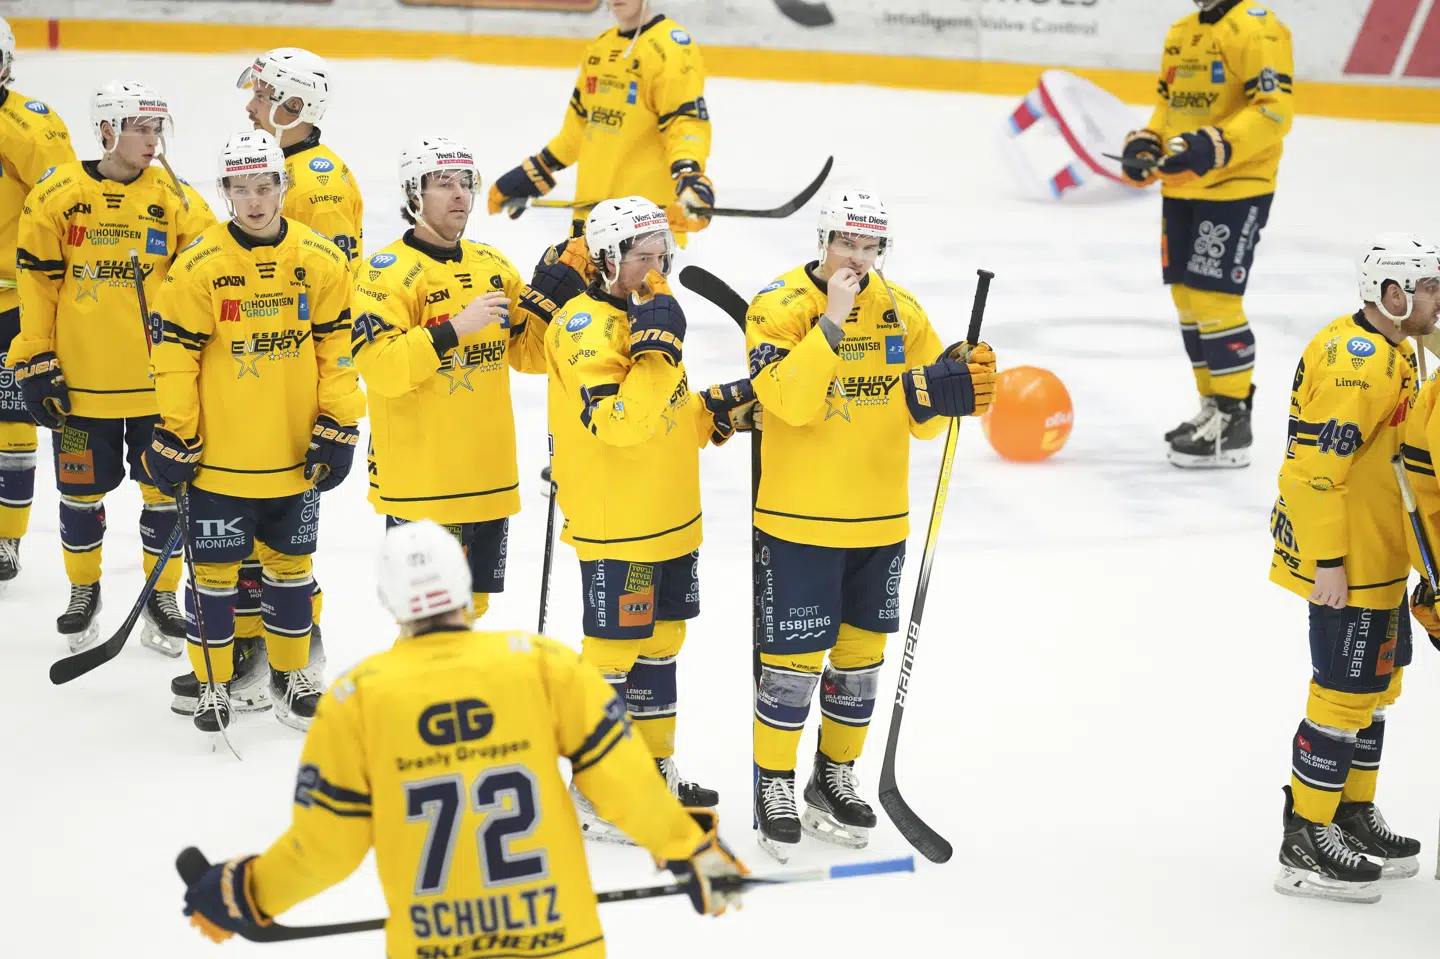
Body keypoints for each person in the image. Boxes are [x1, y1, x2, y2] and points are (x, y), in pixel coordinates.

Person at [180, 519, 747, 954]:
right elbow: (626, 787)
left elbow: (324, 850)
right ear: (462, 580)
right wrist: (694, 852)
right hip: (561, 942)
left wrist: (245, 890)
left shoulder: (357, 700)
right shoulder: (544, 666)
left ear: (388, 600)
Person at [744, 189, 995, 859]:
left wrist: (958, 387)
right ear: (821, 241)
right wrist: (831, 322)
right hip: (798, 519)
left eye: (869, 246)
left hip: (880, 520)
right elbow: (786, 403)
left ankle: (833, 776)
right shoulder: (778, 308)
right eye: (846, 244)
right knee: (792, 664)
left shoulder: (902, 311)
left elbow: (924, 418)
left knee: (859, 661)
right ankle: (773, 780)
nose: (857, 258)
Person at [545, 195, 755, 840]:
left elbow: (671, 414)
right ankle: (594, 785)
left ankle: (653, 769)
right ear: (608, 258)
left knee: (662, 648)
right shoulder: (581, 328)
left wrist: (724, 409)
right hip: (620, 528)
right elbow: (621, 423)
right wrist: (658, 349)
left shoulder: (647, 317)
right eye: (642, 254)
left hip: (673, 519)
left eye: (661, 251)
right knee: (612, 653)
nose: (657, 264)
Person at [146, 129, 364, 734]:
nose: (255, 200)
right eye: (241, 188)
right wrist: (176, 432)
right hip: (219, 461)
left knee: (291, 570)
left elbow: (337, 354)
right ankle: (216, 684)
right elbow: (174, 361)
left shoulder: (321, 260)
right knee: (213, 578)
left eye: (266, 185)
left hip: (293, 457)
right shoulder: (198, 267)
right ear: (226, 192)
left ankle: (291, 676)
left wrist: (340, 422)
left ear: (283, 186)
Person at [7, 81, 215, 652]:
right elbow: (38, 288)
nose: (151, 141)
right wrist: (36, 360)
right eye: (139, 128)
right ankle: (84, 590)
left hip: (157, 390)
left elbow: (204, 283)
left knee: (164, 495)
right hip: (80, 387)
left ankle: (163, 597)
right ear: (106, 131)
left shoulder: (178, 199)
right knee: (78, 496)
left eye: (157, 128)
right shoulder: (58, 194)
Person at [1268, 234, 1440, 903]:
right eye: (1429, 287)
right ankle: (1304, 837)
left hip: (1383, 555)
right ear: (1392, 296)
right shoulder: (1358, 364)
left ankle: (1349, 812)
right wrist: (1328, 562)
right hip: (1350, 562)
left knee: (1374, 691)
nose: (1437, 298)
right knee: (1340, 693)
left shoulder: (1395, 348)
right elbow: (1312, 471)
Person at [352, 135, 566, 619]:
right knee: (429, 613)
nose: (459, 195)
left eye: (465, 183)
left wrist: (564, 306)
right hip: (423, 478)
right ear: (414, 195)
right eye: (443, 183)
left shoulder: (493, 265)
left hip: (486, 474)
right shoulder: (385, 273)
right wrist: (453, 330)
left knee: (474, 608)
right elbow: (382, 369)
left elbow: (529, 357)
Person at [1119, 0, 1294, 468]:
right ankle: (1213, 409)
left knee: (1214, 297)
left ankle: (1235, 422)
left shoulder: (1258, 28)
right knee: (1186, 297)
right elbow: (1170, 106)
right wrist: (1148, 141)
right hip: (1183, 186)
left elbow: (1276, 111)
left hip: (1237, 183)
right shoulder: (1183, 30)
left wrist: (1214, 145)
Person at [488, 0, 714, 242]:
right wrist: (540, 168)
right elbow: (579, 129)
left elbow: (685, 122)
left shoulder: (671, 47)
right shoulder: (600, 48)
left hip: (642, 226)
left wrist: (689, 172)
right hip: (590, 220)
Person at [0, 16, 76, 593]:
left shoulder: (30, 128)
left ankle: (6, 537)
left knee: (11, 421)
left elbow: (62, 212)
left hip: (11, 297)